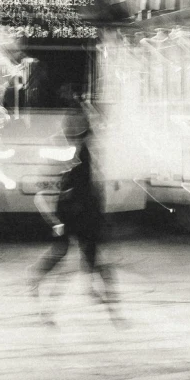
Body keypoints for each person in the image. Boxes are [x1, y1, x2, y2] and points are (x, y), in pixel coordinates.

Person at [32, 100, 120, 312]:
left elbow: (78, 185)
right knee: (86, 257)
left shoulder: (81, 151)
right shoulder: (84, 153)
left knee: (70, 253)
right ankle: (109, 303)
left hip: (76, 213)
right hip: (80, 214)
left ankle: (42, 286)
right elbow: (83, 187)